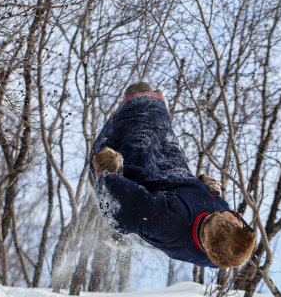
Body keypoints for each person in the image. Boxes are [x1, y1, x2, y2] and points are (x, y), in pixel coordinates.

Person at [89, 82, 257, 268]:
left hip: (136, 165)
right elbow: (227, 238)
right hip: (173, 170)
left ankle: (141, 99)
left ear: (219, 224)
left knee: (144, 104)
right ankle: (148, 101)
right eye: (243, 221)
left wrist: (108, 172)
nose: (239, 214)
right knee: (161, 124)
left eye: (236, 220)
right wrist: (212, 191)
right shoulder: (220, 249)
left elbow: (122, 212)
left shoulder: (169, 220)